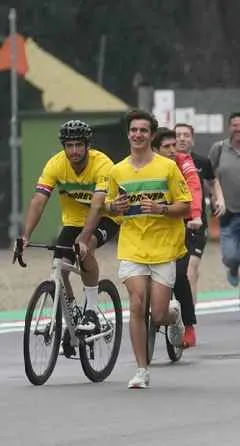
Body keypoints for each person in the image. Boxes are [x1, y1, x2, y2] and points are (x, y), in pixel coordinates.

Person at [78, 109, 190, 389]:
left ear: (152, 135)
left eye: (143, 130)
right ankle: (141, 370)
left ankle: (174, 317)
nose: (137, 135)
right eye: (133, 130)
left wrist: (162, 208)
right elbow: (112, 209)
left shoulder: (167, 167)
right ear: (128, 134)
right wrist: (112, 207)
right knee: (137, 304)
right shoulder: (118, 171)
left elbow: (186, 205)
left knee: (159, 312)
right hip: (132, 246)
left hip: (164, 247)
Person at [21, 120, 117, 336]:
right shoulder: (55, 164)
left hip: (105, 216)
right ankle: (72, 310)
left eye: (78, 145)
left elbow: (97, 204)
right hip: (73, 221)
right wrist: (25, 236)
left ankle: (91, 309)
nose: (74, 151)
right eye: (69, 145)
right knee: (59, 265)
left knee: (86, 248)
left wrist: (84, 238)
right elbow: (39, 200)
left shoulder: (102, 164)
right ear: (63, 146)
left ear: (87, 145)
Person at [151, 127, 202, 348]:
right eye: (167, 147)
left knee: (181, 274)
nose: (174, 150)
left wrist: (196, 215)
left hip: (186, 223)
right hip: (155, 228)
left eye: (175, 145)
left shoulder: (184, 162)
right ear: (155, 149)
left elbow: (195, 188)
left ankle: (188, 324)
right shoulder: (147, 165)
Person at [208, 112, 240, 322]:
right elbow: (209, 177)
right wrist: (213, 198)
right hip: (227, 213)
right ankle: (231, 268)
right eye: (235, 125)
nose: (239, 129)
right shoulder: (219, 149)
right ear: (229, 127)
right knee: (231, 256)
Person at [174, 123, 215, 317]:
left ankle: (188, 316)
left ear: (192, 139)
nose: (182, 138)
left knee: (191, 268)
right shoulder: (165, 164)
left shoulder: (202, 162)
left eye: (186, 135)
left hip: (196, 221)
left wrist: (219, 199)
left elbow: (213, 183)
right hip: (172, 221)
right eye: (178, 135)